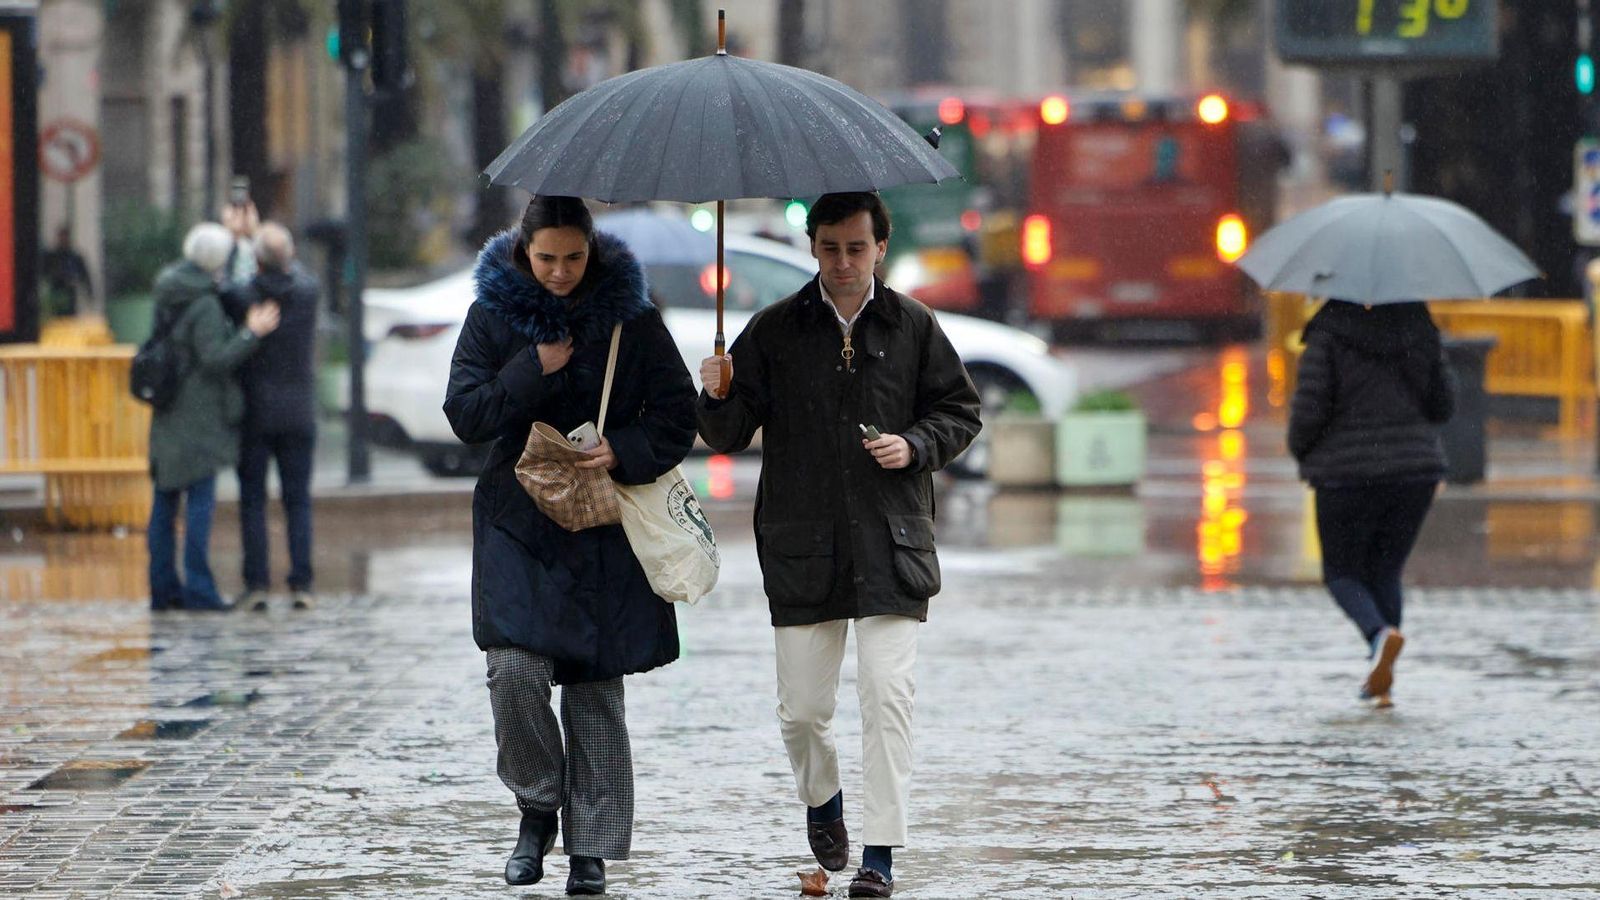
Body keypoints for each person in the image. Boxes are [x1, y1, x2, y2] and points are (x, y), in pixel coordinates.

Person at [697, 191, 982, 899]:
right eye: (830, 248)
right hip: (801, 546)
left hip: (893, 543)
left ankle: (880, 856)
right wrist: (716, 393)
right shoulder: (773, 329)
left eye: (857, 247)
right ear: (812, 247)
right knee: (801, 711)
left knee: (888, 697)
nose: (844, 262)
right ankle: (822, 801)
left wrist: (914, 444)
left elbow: (960, 411)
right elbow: (728, 436)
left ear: (880, 247)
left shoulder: (914, 325)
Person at [443, 195, 695, 896]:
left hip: (602, 526)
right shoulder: (495, 313)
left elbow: (677, 415)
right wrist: (533, 367)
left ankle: (592, 851)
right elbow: (464, 413)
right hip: (515, 523)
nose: (560, 273)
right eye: (546, 258)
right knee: (514, 674)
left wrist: (625, 449)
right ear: (524, 251)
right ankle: (537, 807)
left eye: (574, 258)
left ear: (592, 250)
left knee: (593, 691)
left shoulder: (630, 317)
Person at [1288, 299, 1456, 708]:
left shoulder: (1328, 333)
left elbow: (1310, 410)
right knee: (1385, 571)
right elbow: (1443, 406)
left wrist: (1301, 449)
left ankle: (1379, 636)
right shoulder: (1420, 327)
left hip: (1346, 474)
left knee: (1342, 573)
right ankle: (1385, 681)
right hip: (1414, 471)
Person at [147, 223, 280, 612]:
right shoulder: (203, 303)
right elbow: (215, 359)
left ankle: (163, 588)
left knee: (164, 501)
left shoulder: (169, 290)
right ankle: (200, 590)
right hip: (198, 416)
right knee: (199, 503)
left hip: (168, 411)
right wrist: (250, 334)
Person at [223, 223, 320, 612]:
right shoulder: (308, 293)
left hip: (256, 414)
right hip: (299, 413)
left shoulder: (243, 296)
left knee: (253, 501)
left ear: (257, 262)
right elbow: (297, 273)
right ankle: (303, 584)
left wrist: (238, 241)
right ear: (290, 256)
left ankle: (257, 584)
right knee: (298, 502)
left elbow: (230, 284)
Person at [40, 225, 93, 318]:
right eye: (61, 236)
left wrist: (89, 294)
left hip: (70, 293)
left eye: (65, 236)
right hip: (55, 291)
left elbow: (84, 276)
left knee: (69, 318)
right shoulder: (51, 257)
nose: (63, 239)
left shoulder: (75, 257)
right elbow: (43, 272)